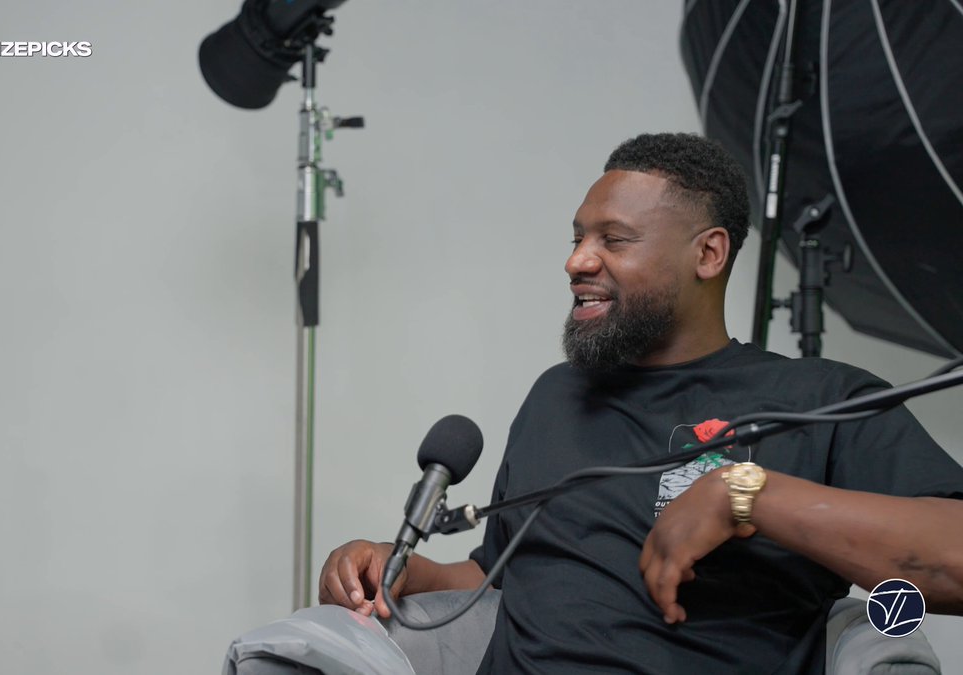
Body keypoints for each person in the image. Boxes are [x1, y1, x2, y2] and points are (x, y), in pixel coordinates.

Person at [318, 132, 963, 674]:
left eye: (614, 239)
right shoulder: (556, 396)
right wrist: (400, 569)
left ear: (707, 253)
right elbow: (504, 578)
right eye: (577, 237)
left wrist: (747, 496)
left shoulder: (823, 400)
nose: (576, 260)